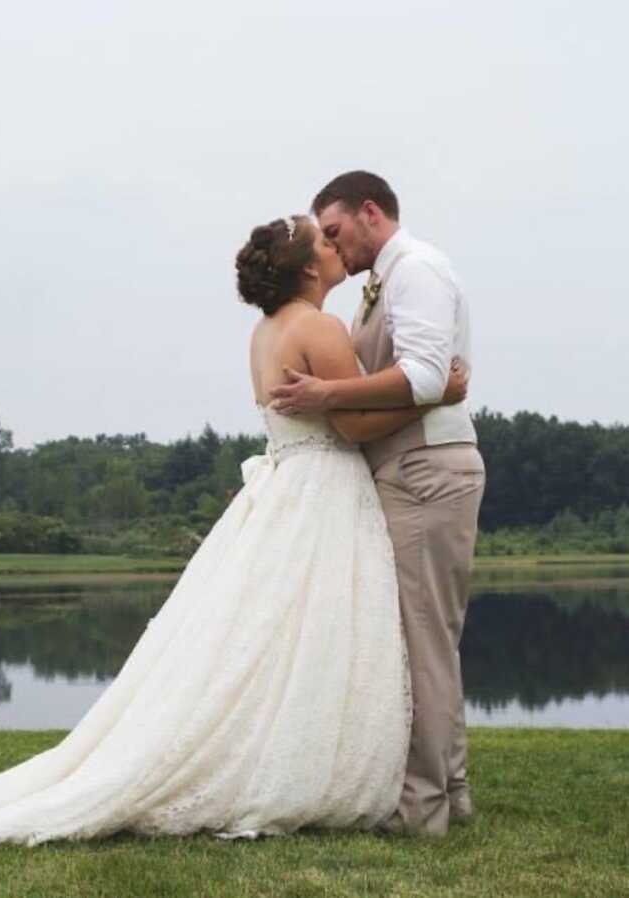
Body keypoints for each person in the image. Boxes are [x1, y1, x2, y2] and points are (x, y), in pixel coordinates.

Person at [0, 214, 465, 847]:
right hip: (322, 491)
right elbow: (352, 425)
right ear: (307, 268)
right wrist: (438, 394)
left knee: (273, 637)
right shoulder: (318, 328)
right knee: (311, 632)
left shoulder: (264, 332)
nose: (335, 247)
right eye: (324, 241)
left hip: (284, 488)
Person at [270, 171, 485, 837]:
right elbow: (417, 381)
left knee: (423, 642)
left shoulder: (416, 269)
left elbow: (425, 375)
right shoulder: (379, 286)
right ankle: (450, 791)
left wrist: (325, 399)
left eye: (334, 231)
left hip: (424, 469)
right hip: (406, 466)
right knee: (428, 641)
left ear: (370, 213)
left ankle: (422, 809)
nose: (331, 247)